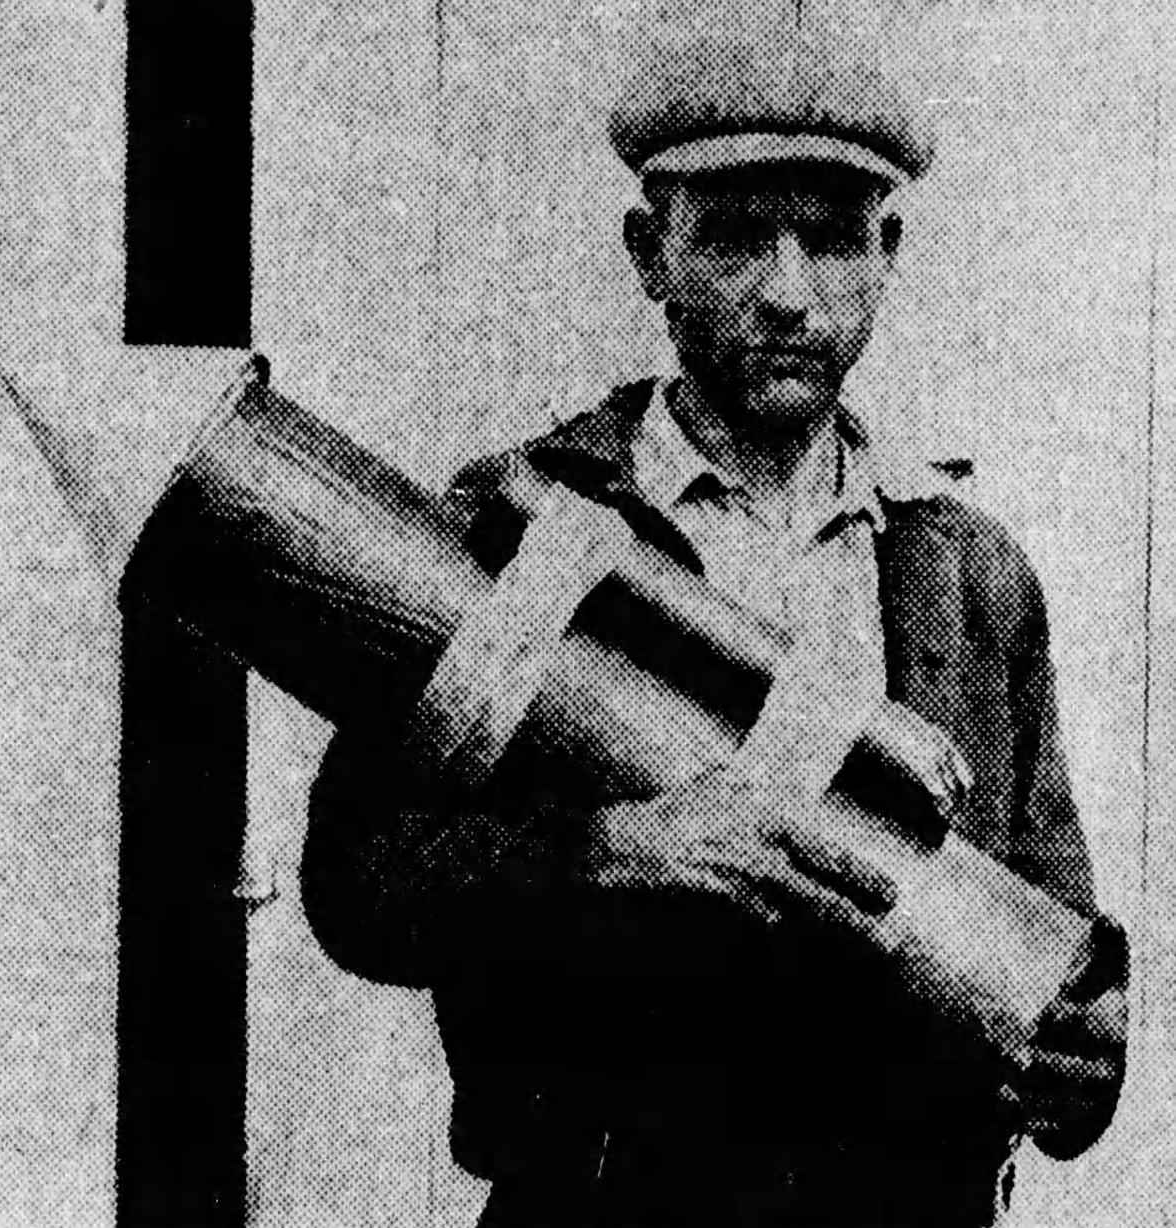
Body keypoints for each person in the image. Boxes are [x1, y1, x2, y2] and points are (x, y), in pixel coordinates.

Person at [301, 27, 1128, 1228]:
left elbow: (1066, 963)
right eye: (737, 235)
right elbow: (359, 888)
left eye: (834, 236)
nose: (788, 293)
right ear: (651, 252)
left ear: (887, 254)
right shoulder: (524, 524)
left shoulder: (968, 571)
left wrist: (1083, 1054)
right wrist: (610, 853)